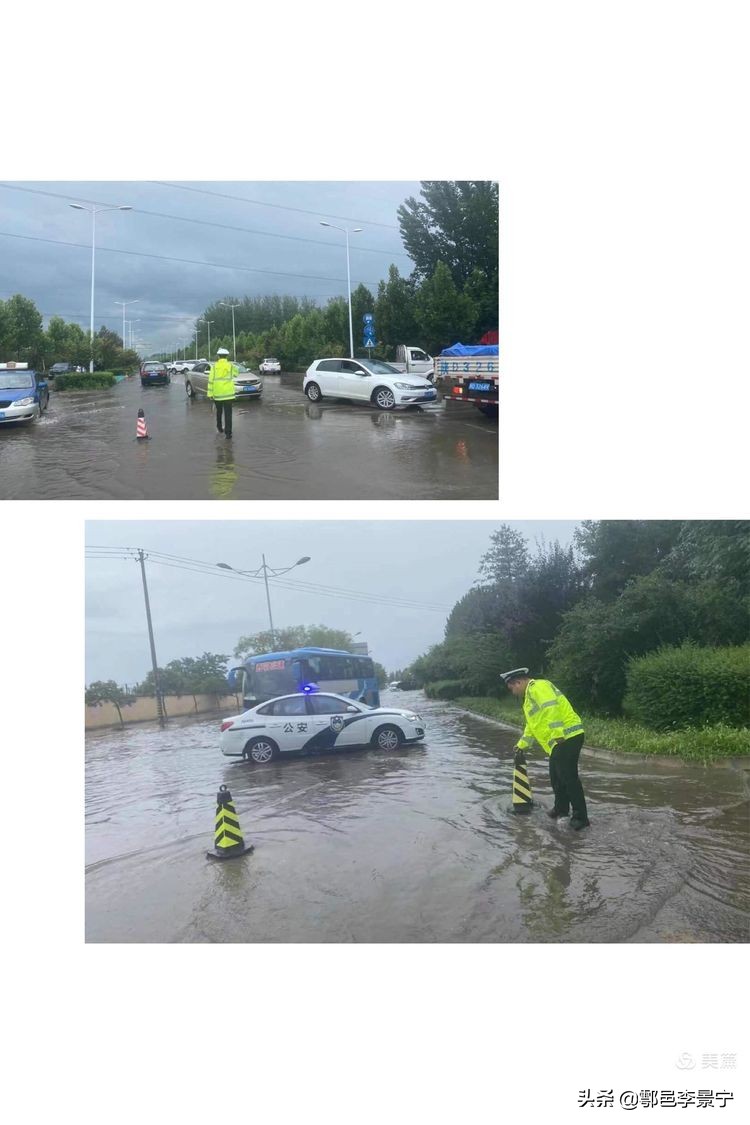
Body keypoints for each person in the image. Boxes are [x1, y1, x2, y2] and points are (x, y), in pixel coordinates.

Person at [499, 668, 590, 829]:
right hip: (558, 741)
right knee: (556, 777)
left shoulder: (537, 687)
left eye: (512, 688)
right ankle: (561, 809)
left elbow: (551, 707)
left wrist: (557, 732)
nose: (513, 692)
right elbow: (531, 726)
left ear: (518, 682)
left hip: (567, 737)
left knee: (569, 778)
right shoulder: (528, 699)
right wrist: (522, 744)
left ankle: (581, 818)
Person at [207, 347, 236, 439]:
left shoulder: (214, 367)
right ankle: (228, 433)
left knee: (219, 412)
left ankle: (219, 428)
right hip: (228, 395)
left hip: (218, 394)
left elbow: (210, 381)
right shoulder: (231, 366)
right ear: (227, 356)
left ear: (218, 356)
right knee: (228, 414)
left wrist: (210, 394)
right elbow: (236, 373)